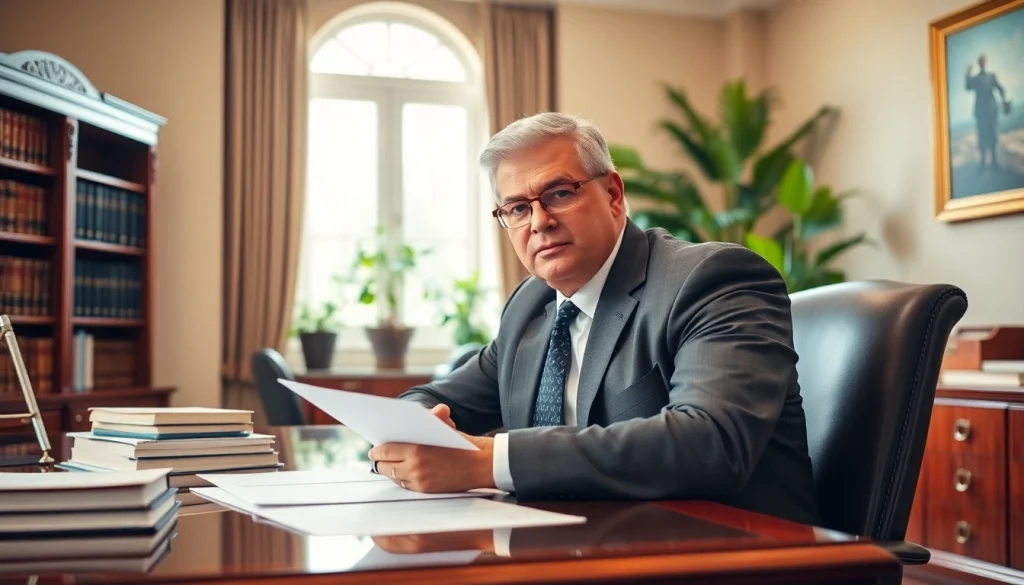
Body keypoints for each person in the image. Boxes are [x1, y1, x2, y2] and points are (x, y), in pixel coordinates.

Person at [367, 112, 820, 525]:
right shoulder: (531, 305)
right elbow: (432, 398)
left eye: (559, 194)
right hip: (576, 547)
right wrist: (414, 435)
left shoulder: (713, 279)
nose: (539, 222)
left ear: (613, 194)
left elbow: (709, 444)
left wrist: (487, 462)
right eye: (518, 208)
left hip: (736, 552)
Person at [965, 53, 1010, 169]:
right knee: (982, 137)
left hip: (991, 110)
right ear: (979, 64)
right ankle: (983, 164)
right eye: (981, 61)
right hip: (981, 112)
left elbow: (1000, 88)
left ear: (986, 62)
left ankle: (994, 162)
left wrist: (1004, 101)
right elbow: (968, 87)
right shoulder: (975, 79)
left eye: (984, 61)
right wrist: (967, 74)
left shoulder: (991, 76)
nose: (983, 63)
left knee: (993, 135)